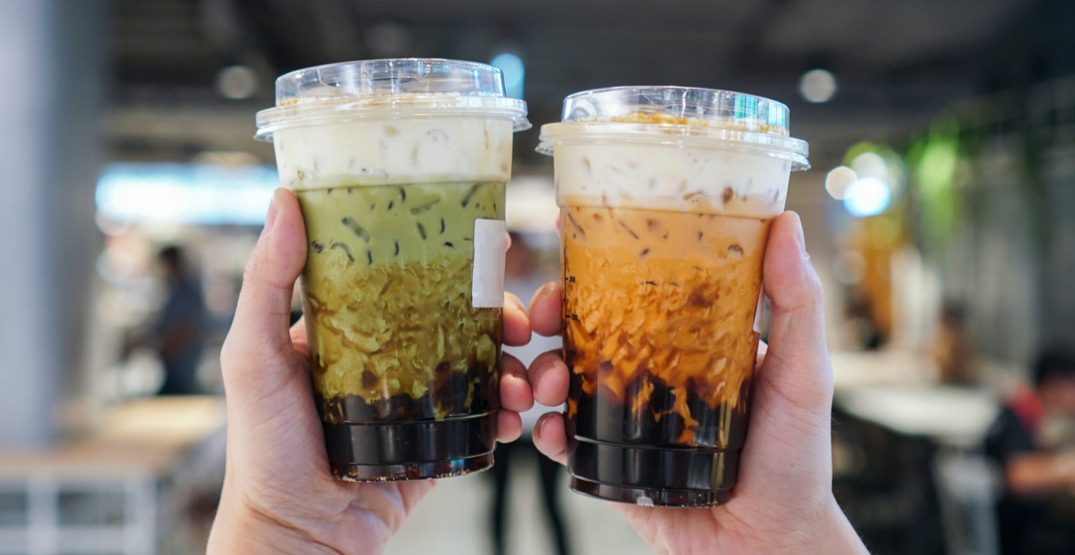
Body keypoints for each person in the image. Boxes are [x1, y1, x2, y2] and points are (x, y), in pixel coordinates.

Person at [206, 188, 868, 554]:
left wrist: (278, 536)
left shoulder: (519, 287)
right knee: (504, 498)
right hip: (515, 414)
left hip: (526, 414)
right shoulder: (505, 287)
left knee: (545, 500)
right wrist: (284, 530)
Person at [985, 350, 1075, 555]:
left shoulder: (1027, 411)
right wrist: (1069, 469)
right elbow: (1018, 476)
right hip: (1015, 534)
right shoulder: (1020, 413)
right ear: (1054, 384)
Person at [154, 245, 207, 395]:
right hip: (172, 364)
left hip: (182, 366)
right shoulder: (172, 290)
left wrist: (165, 347)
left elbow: (187, 329)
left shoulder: (187, 292)